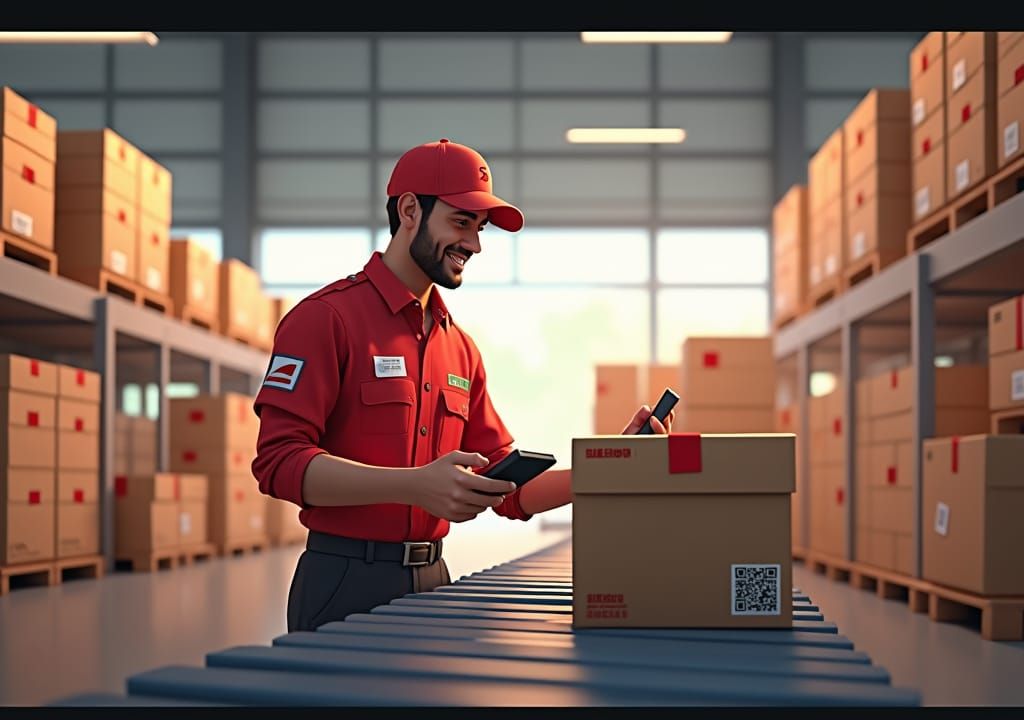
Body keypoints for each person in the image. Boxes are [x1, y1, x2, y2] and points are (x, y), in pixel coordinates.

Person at [251, 138, 674, 632]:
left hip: (433, 578)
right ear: (410, 210)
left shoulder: (460, 349)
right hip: (342, 580)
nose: (474, 245)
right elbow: (278, 462)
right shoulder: (325, 320)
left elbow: (510, 490)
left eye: (479, 228)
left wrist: (610, 467)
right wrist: (414, 486)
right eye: (461, 222)